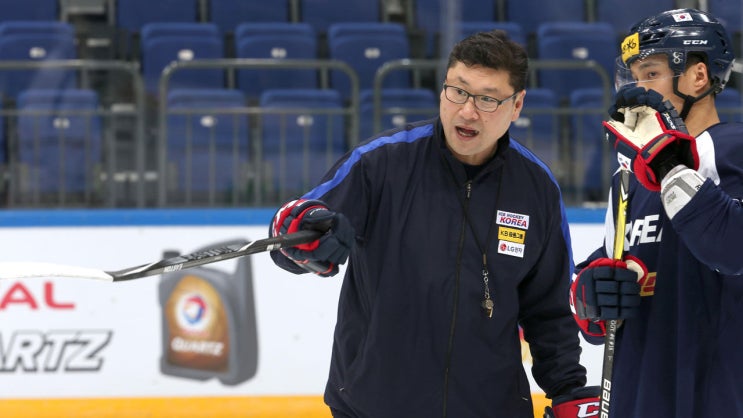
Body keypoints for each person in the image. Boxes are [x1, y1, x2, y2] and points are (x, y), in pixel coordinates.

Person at [268, 30, 598, 418]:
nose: (467, 111)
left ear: (517, 105)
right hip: (375, 406)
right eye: (457, 90)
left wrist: (566, 389)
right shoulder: (382, 162)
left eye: (488, 99)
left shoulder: (536, 189)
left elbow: (549, 310)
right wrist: (303, 237)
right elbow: (297, 230)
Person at [570, 8, 743, 418]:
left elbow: (734, 248)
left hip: (718, 396)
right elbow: (609, 275)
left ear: (698, 77)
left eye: (650, 74)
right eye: (632, 76)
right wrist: (591, 296)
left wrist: (667, 164)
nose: (636, 90)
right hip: (638, 397)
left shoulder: (734, 148)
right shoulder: (625, 178)